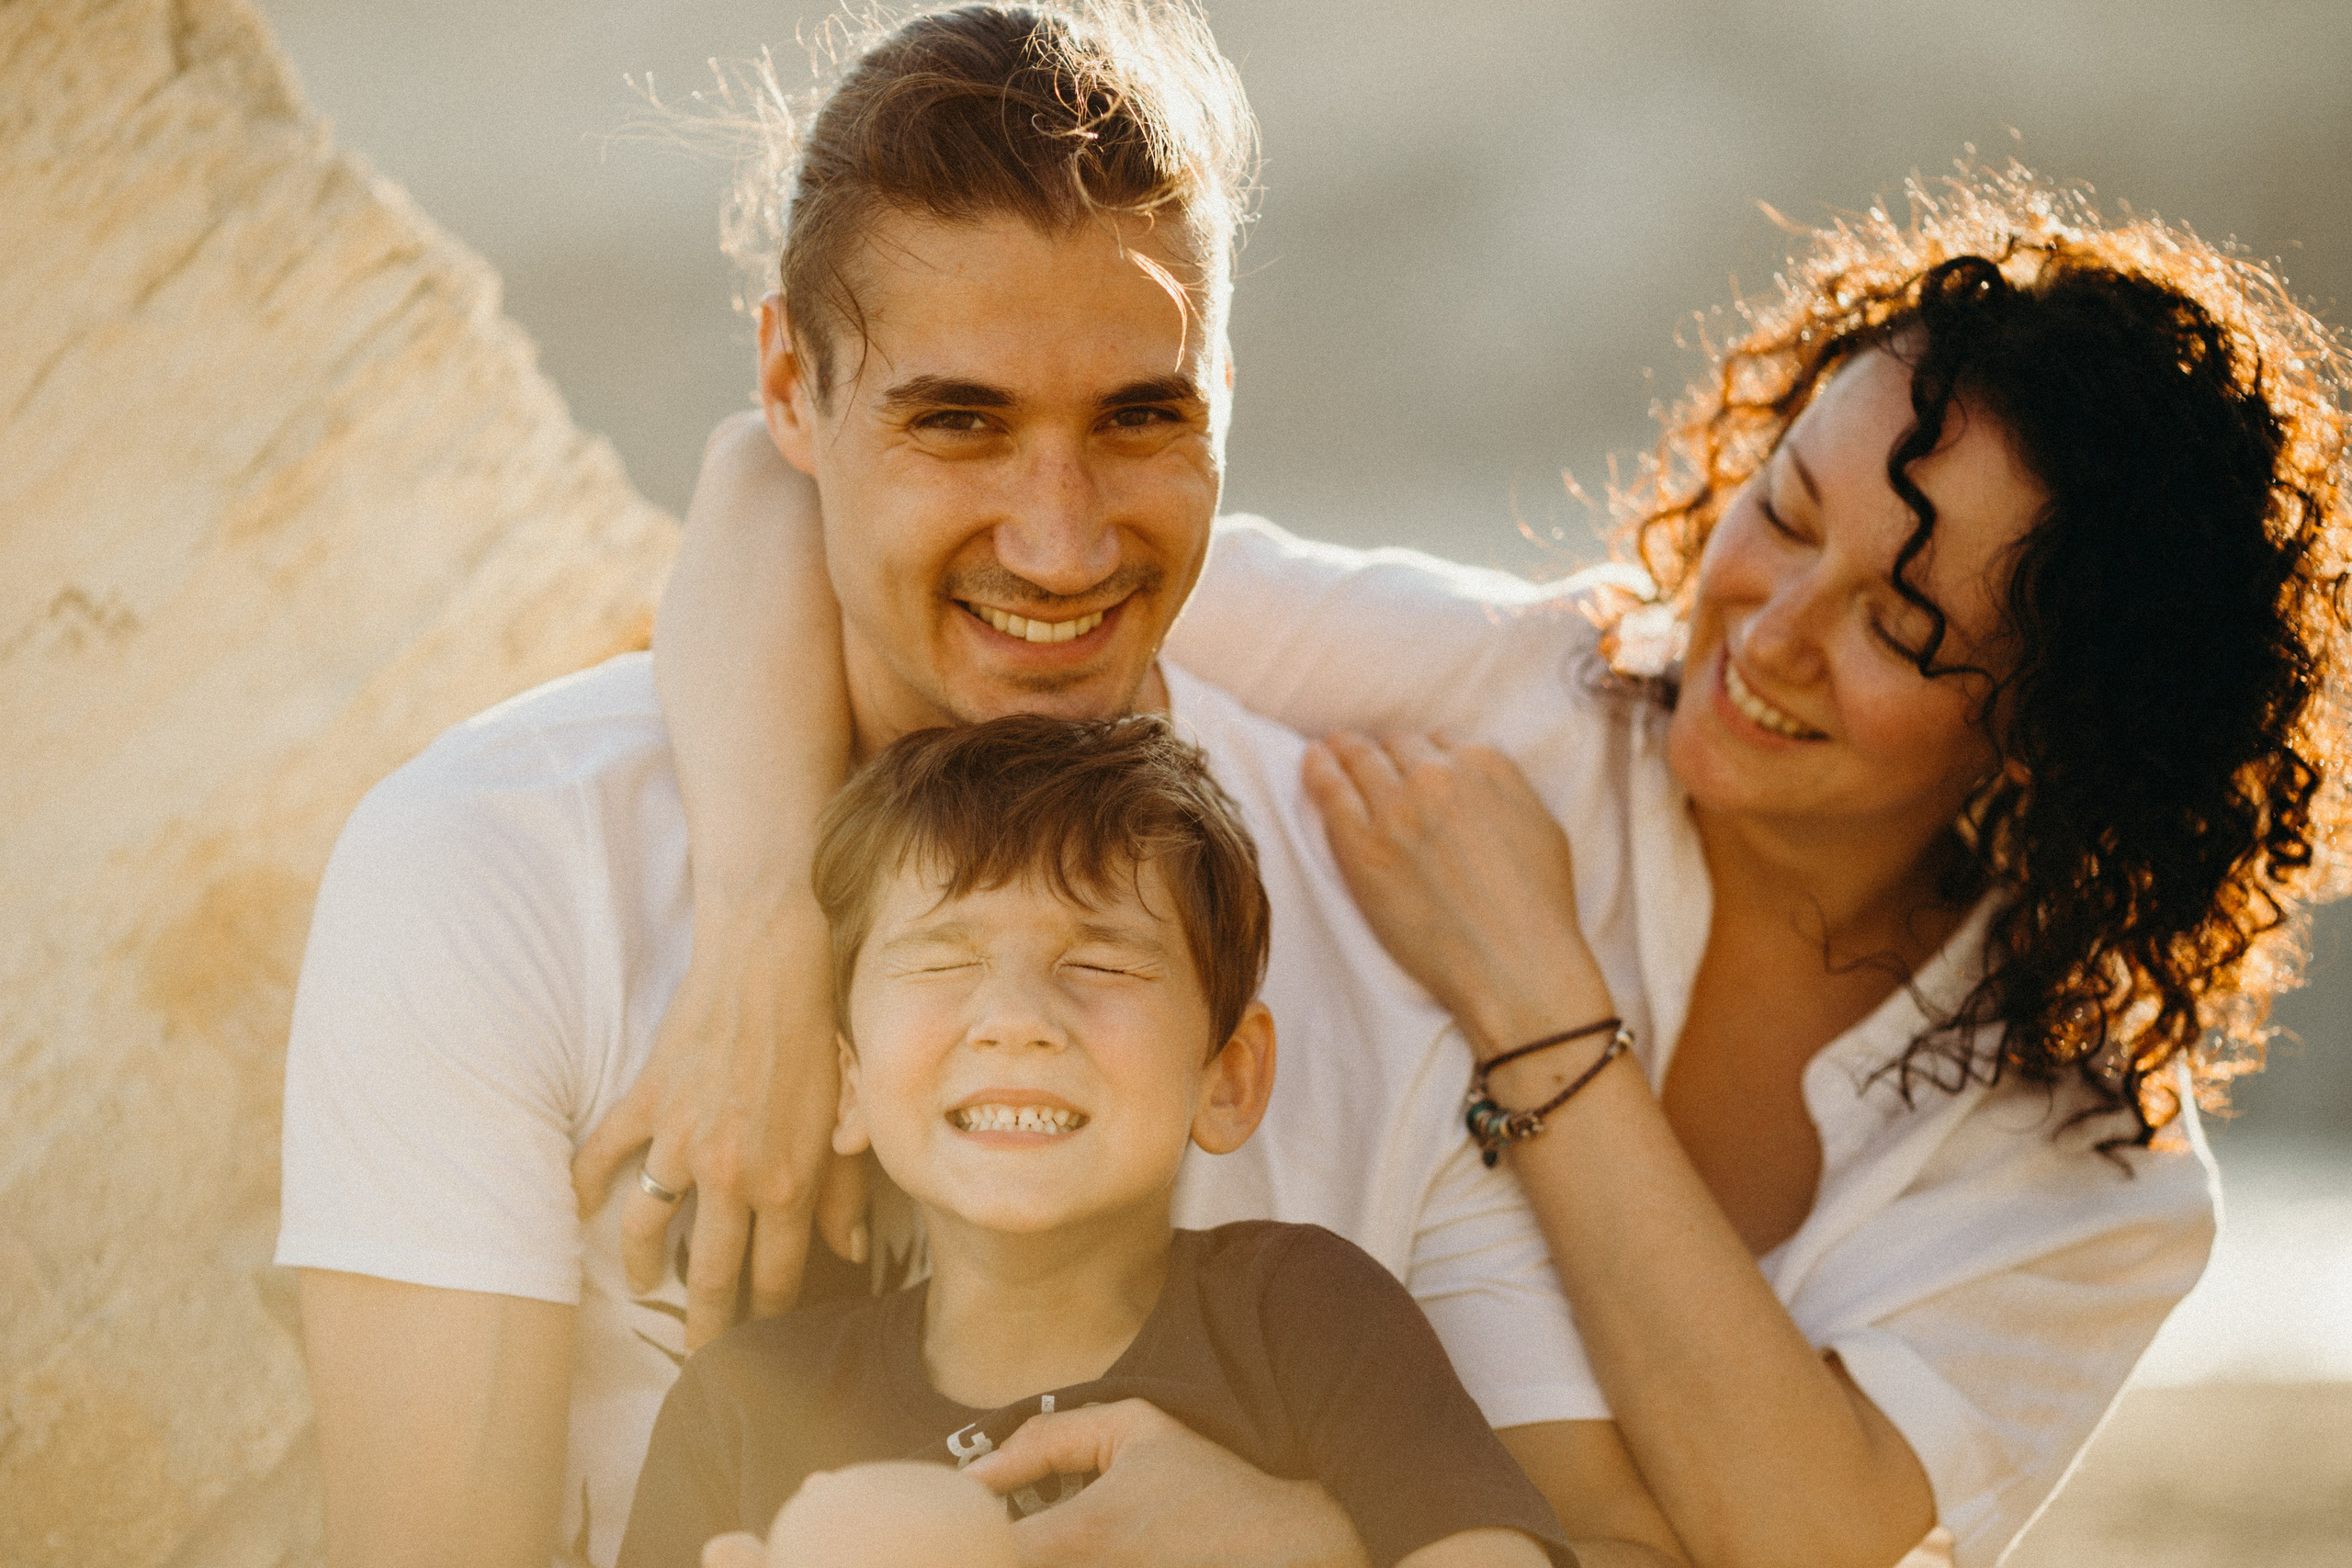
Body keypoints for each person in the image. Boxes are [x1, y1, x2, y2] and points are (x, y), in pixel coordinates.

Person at [652, 168, 2352, 1567]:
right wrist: (759, 936)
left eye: (1900, 625)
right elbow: (786, 494)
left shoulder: (2091, 1174)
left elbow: (1797, 1540)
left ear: (2059, 727)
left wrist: (1534, 1003)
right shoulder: (1524, 686)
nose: (1769, 628)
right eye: (1784, 511)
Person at [277, 6, 1664, 1566]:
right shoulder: (493, 872)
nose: (1062, 544)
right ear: (789, 386)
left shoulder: (1372, 930)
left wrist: (1305, 1547)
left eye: (1141, 417)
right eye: (959, 422)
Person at [618, 714, 1576, 1568]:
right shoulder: (745, 1403)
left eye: (1101, 963)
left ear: (1228, 1079)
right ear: (849, 1083)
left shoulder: (1305, 1315)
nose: (1015, 1018)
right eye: (944, 961)